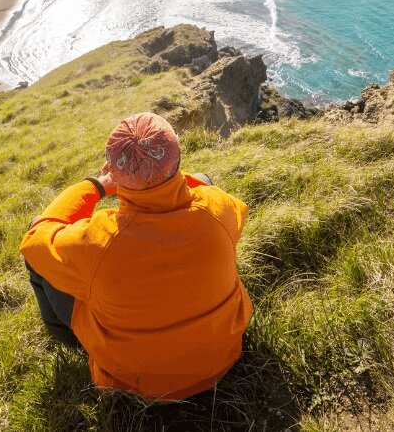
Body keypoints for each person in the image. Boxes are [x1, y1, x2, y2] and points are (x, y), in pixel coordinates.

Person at [20, 112, 252, 401]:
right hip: (221, 359)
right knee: (205, 180)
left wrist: (97, 185)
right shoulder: (218, 209)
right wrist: (166, 176)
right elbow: (212, 196)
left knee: (38, 240)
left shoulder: (97, 241)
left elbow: (35, 237)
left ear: (113, 171)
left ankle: (75, 343)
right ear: (178, 158)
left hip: (132, 385)